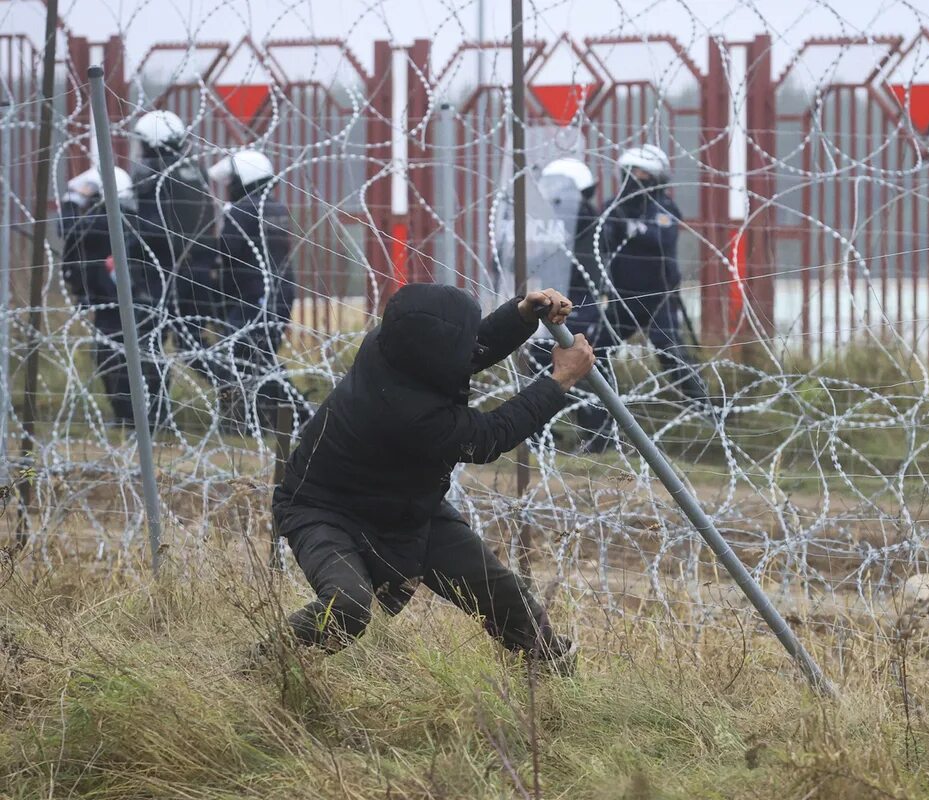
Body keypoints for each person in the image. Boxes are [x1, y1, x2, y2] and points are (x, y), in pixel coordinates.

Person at [271, 283, 593, 670]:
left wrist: (522, 313)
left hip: (403, 505)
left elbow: (465, 348)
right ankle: (261, 666)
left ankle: (555, 671)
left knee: (503, 594)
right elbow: (489, 437)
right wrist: (559, 381)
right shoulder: (412, 415)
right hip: (323, 509)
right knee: (347, 606)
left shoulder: (391, 347)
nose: (470, 345)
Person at [588, 144, 712, 450]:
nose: (636, 179)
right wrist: (625, 225)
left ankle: (713, 418)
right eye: (631, 173)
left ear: (657, 178)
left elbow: (661, 238)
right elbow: (601, 240)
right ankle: (600, 432)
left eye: (643, 174)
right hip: (621, 300)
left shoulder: (666, 208)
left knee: (674, 361)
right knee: (594, 357)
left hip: (659, 301)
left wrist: (629, 228)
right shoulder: (612, 207)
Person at [127, 109, 227, 426]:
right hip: (195, 270)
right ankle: (236, 387)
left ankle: (155, 416)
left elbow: (146, 227)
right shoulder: (191, 169)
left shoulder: (151, 171)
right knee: (191, 343)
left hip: (161, 271)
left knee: (150, 343)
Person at [209, 148, 308, 433]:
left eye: (231, 182)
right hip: (279, 292)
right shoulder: (274, 206)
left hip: (256, 297)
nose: (227, 188)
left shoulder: (243, 210)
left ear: (244, 180)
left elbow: (226, 252)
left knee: (241, 354)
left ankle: (296, 416)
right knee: (259, 357)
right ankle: (278, 418)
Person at [524, 157, 611, 450]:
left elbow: (549, 255)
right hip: (565, 302)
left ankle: (592, 435)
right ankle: (551, 432)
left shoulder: (578, 218)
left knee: (559, 363)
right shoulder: (572, 217)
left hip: (575, 303)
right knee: (566, 364)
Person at [59, 167, 138, 427]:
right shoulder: (119, 217)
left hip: (114, 302)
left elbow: (67, 229)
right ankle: (129, 415)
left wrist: (73, 200)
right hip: (111, 299)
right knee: (112, 355)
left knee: (112, 355)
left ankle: (129, 416)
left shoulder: (109, 220)